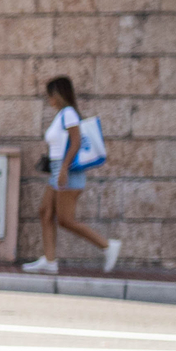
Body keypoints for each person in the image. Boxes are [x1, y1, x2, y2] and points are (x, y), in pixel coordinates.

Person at [22, 75, 119, 274]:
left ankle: (108, 246)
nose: (48, 98)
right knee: (45, 212)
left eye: (50, 94)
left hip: (68, 172)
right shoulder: (62, 115)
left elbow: (75, 142)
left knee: (65, 220)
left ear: (57, 94)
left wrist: (64, 169)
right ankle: (49, 261)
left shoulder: (69, 114)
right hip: (58, 171)